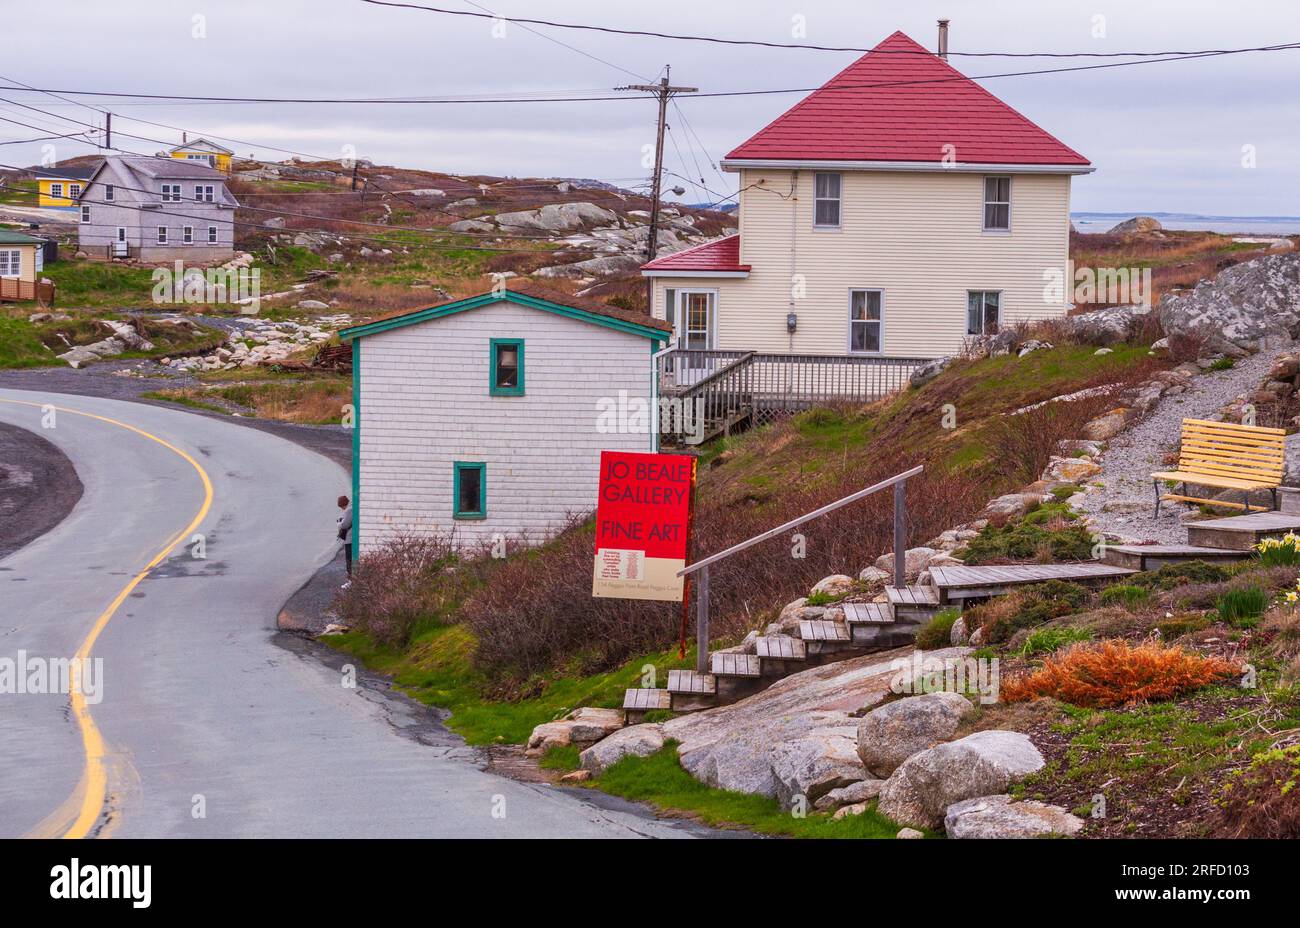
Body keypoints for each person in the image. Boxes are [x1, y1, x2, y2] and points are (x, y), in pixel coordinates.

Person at [337, 495, 353, 578]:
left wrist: (338, 524)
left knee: (349, 559)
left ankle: (350, 580)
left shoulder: (349, 510)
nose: (341, 508)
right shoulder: (351, 508)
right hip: (351, 538)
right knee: (350, 559)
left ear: (343, 504)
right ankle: (351, 578)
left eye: (341, 506)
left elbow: (344, 525)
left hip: (349, 539)